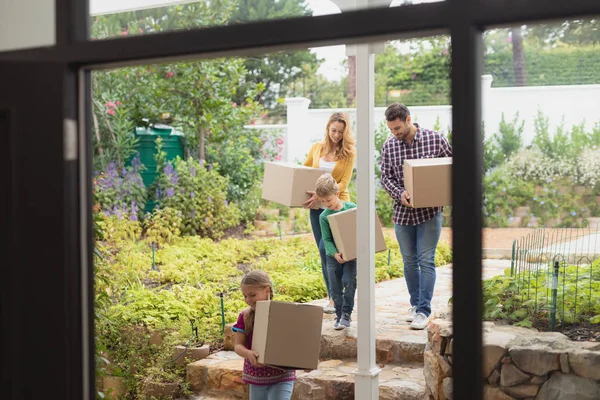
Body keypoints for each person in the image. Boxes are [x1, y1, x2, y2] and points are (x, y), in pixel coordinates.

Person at [380, 103, 453, 330]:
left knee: (426, 259)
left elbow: (451, 165)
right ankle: (415, 304)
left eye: (398, 128)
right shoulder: (389, 147)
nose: (395, 133)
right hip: (403, 214)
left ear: (409, 119)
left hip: (430, 212)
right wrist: (399, 193)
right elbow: (386, 178)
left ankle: (423, 310)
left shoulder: (435, 139)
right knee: (410, 262)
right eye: (391, 129)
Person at [303, 112, 356, 315]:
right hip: (317, 209)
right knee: (324, 252)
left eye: (340, 132)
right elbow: (305, 170)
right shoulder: (316, 148)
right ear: (327, 129)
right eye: (333, 130)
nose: (336, 135)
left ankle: (343, 292)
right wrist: (312, 195)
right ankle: (333, 297)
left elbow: (343, 183)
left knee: (339, 251)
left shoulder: (349, 152)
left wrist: (323, 194)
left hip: (338, 207)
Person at [233, 270, 295, 399]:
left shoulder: (283, 312)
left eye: (252, 295)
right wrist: (248, 353)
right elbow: (238, 346)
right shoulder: (244, 316)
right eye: (245, 296)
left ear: (267, 290)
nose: (248, 300)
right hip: (257, 376)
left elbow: (296, 340)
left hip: (282, 375)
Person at [315, 173, 358, 330]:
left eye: (329, 200)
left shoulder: (352, 209)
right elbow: (326, 240)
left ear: (337, 194)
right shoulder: (324, 217)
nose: (326, 204)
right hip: (333, 257)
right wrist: (334, 253)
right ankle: (339, 315)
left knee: (349, 281)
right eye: (323, 201)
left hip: (351, 256)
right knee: (335, 287)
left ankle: (347, 314)